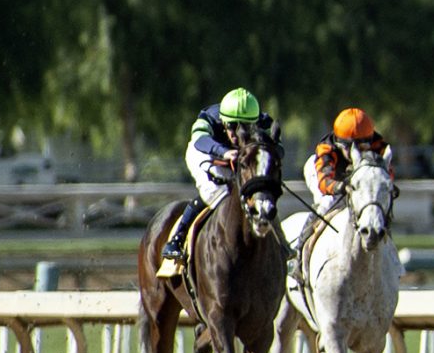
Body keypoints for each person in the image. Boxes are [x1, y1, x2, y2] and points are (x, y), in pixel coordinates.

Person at [159, 87, 276, 275]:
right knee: (217, 191)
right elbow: (200, 141)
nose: (238, 133)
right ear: (223, 121)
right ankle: (178, 239)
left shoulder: (263, 123)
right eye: (232, 126)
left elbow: (276, 149)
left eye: (246, 127)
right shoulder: (208, 118)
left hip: (239, 158)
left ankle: (280, 244)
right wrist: (223, 151)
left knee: (260, 194)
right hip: (207, 154)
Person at [291, 107, 393, 266]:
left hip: (356, 180)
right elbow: (324, 182)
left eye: (362, 148)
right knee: (325, 205)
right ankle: (298, 254)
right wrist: (342, 187)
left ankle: (392, 259)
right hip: (326, 177)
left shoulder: (378, 145)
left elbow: (387, 174)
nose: (357, 153)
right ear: (339, 144)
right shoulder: (326, 149)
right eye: (351, 148)